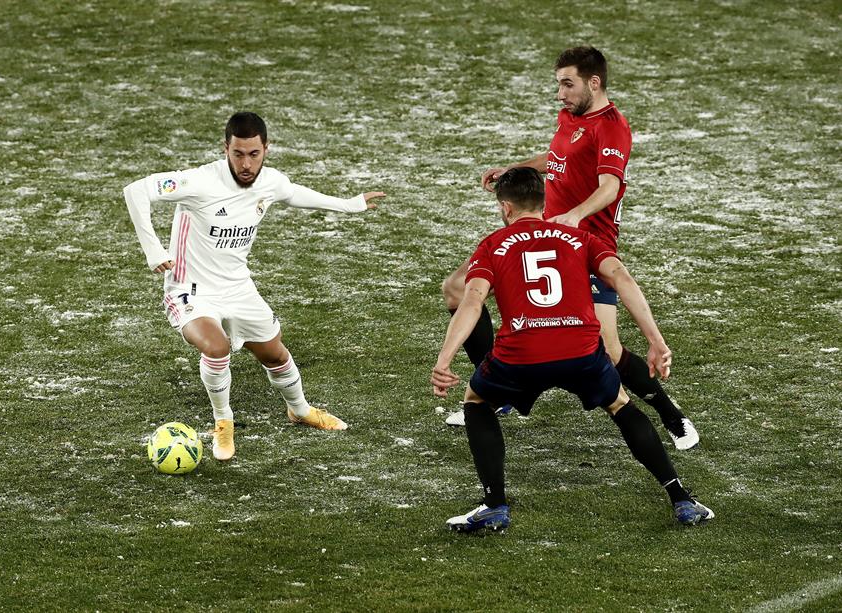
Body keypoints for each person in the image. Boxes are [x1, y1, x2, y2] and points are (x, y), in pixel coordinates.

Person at [442, 46, 698, 451]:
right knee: (457, 288)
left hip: (585, 243)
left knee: (609, 351)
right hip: (541, 232)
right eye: (559, 84)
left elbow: (610, 186)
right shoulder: (572, 116)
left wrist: (575, 216)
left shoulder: (612, 128)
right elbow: (557, 158)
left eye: (567, 84)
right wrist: (516, 168)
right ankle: (501, 391)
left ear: (593, 83)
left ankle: (670, 414)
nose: (560, 93)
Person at [432, 167, 713, 532]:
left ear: (505, 208)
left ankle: (494, 504)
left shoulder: (492, 244)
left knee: (477, 400)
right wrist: (656, 340)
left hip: (521, 354)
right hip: (581, 351)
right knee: (620, 404)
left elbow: (471, 300)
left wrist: (444, 359)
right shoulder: (579, 238)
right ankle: (681, 499)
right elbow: (622, 279)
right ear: (543, 202)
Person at [124, 111, 385, 460]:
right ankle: (223, 423)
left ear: (266, 149)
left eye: (254, 154)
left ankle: (300, 410)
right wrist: (153, 249)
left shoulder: (270, 182)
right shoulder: (198, 182)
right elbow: (137, 190)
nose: (246, 164)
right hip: (191, 289)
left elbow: (293, 193)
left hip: (238, 288)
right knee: (216, 347)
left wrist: (349, 205)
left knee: (274, 353)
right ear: (226, 149)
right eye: (237, 154)